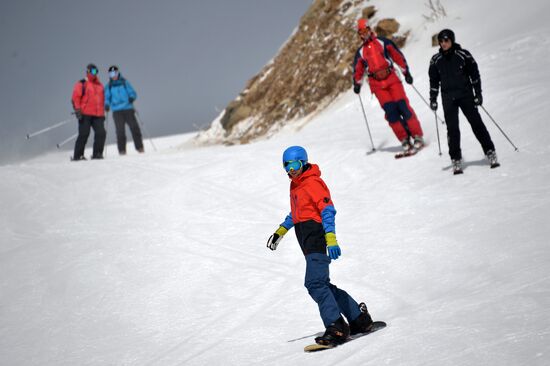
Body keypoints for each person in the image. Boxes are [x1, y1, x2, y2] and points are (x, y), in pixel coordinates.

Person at [266, 146, 375, 346]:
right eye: (286, 166)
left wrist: (331, 238)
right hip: (306, 243)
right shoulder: (296, 186)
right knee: (323, 285)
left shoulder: (313, 183)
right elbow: (297, 214)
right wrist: (280, 231)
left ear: (304, 162)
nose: (291, 170)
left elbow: (327, 210)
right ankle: (359, 320)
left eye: (295, 164)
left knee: (314, 284)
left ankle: (336, 327)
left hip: (316, 239)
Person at [429, 29, 499, 174]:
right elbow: (434, 81)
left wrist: (478, 93)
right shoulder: (436, 60)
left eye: (446, 40)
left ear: (452, 40)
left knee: (476, 123)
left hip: (465, 95)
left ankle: (490, 152)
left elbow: (475, 74)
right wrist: (433, 99)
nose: (443, 44)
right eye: (441, 41)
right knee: (452, 129)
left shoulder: (463, 55)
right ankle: (456, 159)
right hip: (448, 98)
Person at [352, 18, 424, 154]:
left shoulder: (382, 42)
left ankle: (417, 136)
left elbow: (397, 56)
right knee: (391, 112)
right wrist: (357, 83)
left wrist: (406, 71)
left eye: (365, 30)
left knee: (403, 107)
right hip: (377, 85)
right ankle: (404, 139)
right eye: (361, 32)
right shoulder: (360, 52)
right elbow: (358, 69)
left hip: (391, 79)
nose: (364, 34)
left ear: (370, 29)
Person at [104, 65, 144, 155]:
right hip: (117, 111)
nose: (113, 75)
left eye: (115, 73)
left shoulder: (124, 82)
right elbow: (106, 97)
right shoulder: (109, 86)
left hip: (128, 108)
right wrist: (106, 105)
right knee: (120, 131)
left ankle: (140, 147)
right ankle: (122, 150)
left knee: (134, 128)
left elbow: (132, 92)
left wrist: (132, 97)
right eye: (111, 73)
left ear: (118, 73)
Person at [71, 63, 106, 160]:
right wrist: (77, 109)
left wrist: (103, 112)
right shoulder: (82, 83)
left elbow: (102, 100)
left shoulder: (100, 85)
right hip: (85, 114)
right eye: (93, 71)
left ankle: (97, 154)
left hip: (98, 115)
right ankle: (78, 155)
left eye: (96, 71)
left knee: (101, 133)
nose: (95, 73)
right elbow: (75, 97)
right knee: (84, 134)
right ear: (88, 71)